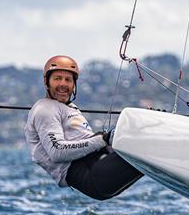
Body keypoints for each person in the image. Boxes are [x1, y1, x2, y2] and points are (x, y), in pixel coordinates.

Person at [24, 55, 142, 200]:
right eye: (57, 78)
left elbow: (92, 143)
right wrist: (103, 139)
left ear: (74, 84)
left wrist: (116, 138)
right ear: (46, 82)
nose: (63, 84)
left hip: (99, 164)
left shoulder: (68, 108)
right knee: (146, 145)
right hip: (91, 176)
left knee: (145, 147)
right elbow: (57, 152)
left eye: (68, 80)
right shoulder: (45, 110)